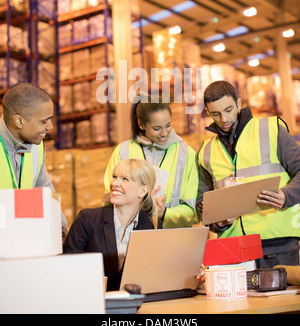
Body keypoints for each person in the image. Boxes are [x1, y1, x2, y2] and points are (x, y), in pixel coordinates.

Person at [197, 80, 300, 268]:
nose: (224, 119)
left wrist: (286, 195)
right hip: (233, 249)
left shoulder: (271, 129)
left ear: (238, 103)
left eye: (228, 110)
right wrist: (217, 221)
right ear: (208, 112)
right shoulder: (206, 151)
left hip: (277, 245)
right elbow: (202, 203)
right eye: (216, 114)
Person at [63, 159, 160, 291]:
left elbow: (155, 274)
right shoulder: (87, 219)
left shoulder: (152, 227)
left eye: (125, 179)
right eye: (114, 177)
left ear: (142, 191)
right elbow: (67, 268)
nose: (114, 183)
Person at [103, 96, 199, 228]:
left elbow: (194, 211)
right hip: (130, 235)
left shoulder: (186, 154)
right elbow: (109, 203)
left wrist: (163, 213)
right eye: (157, 128)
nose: (164, 133)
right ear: (141, 124)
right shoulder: (122, 152)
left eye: (168, 125)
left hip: (174, 237)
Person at [0, 82, 67, 235]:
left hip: (19, 236)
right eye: (43, 121)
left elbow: (43, 186)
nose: (50, 126)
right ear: (19, 121)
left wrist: (60, 224)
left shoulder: (37, 146)